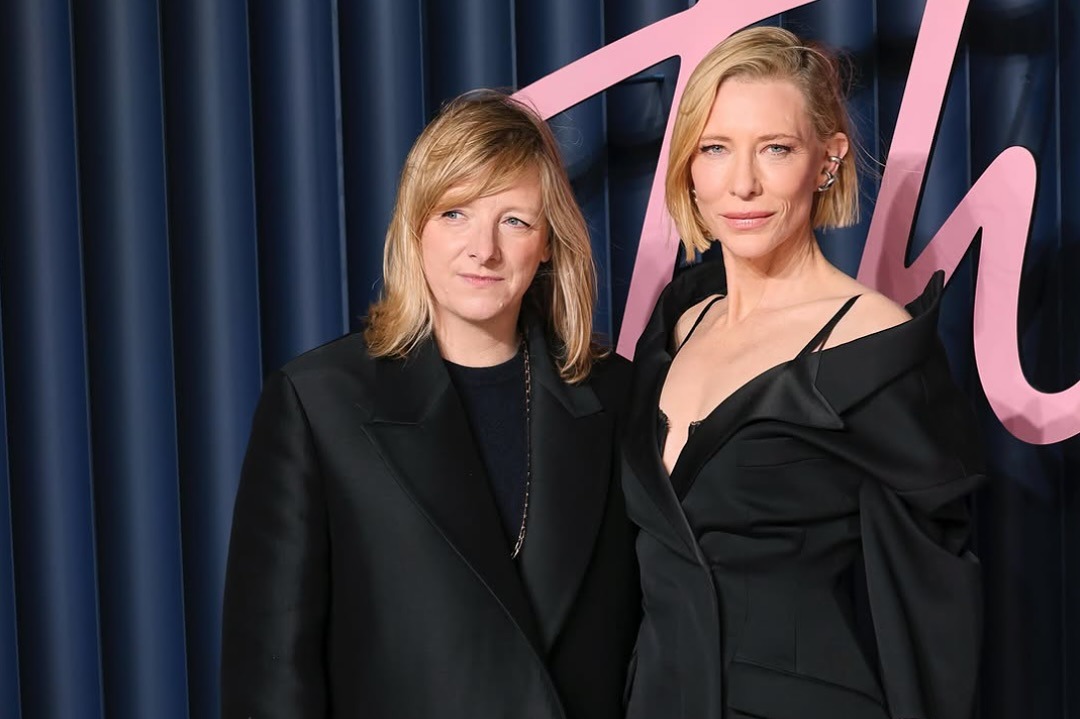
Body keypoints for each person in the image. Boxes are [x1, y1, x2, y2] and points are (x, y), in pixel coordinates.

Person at [221, 90, 639, 719]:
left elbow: (652, 639)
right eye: (454, 213)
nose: (483, 249)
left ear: (550, 242)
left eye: (514, 221)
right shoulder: (319, 403)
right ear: (415, 227)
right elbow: (271, 674)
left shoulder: (617, 396)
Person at [621, 27, 985, 719]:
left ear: (827, 159)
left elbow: (935, 602)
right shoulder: (677, 324)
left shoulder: (874, 343)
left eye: (776, 148)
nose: (743, 183)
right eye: (715, 148)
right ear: (688, 166)